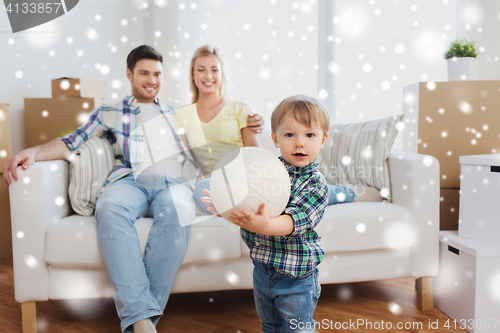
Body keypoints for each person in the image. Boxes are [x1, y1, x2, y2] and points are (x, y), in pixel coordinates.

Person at [2, 45, 263, 333]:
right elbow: (72, 141)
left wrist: (251, 122)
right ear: (129, 74)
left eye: (157, 74)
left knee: (180, 211)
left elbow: (210, 139)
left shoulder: (176, 114)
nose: (152, 80)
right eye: (144, 73)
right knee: (109, 208)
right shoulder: (109, 112)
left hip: (174, 182)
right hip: (130, 180)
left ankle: (141, 320)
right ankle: (142, 319)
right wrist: (35, 153)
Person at [202, 95, 330, 332]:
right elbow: (248, 203)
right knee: (270, 326)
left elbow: (293, 222)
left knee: (296, 329)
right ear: (275, 139)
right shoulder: (264, 170)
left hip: (297, 277)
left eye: (309, 135)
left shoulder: (316, 184)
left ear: (322, 140)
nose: (299, 143)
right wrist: (225, 208)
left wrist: (264, 225)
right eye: (290, 135)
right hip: (263, 270)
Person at [175, 45, 261, 213]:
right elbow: (185, 159)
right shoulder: (182, 114)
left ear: (222, 74)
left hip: (241, 179)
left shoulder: (239, 108)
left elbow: (255, 152)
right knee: (203, 190)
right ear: (193, 74)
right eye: (201, 70)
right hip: (207, 185)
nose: (208, 76)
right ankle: (241, 207)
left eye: (214, 70)